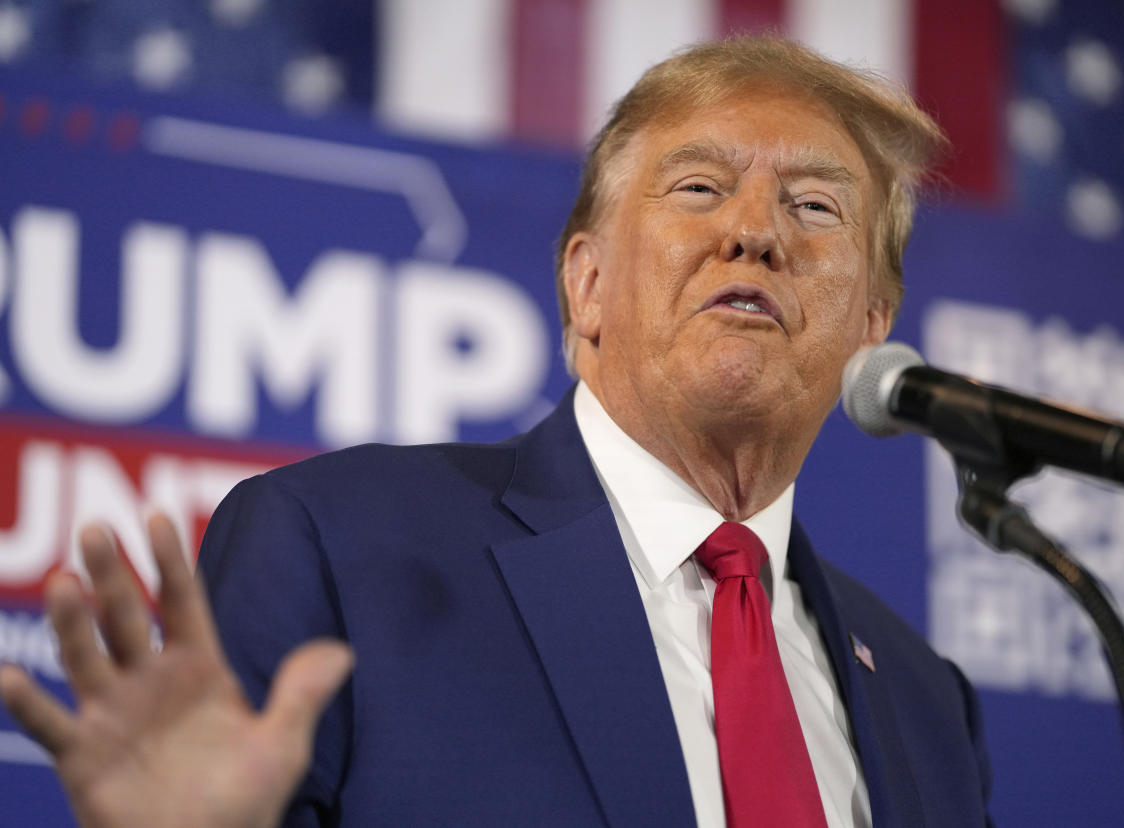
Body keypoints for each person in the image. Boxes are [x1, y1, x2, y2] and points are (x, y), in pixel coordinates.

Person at [0, 36, 992, 827]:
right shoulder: (340, 548)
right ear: (587, 282)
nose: (755, 232)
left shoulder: (924, 701)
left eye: (815, 206)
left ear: (872, 324)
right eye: (698, 188)